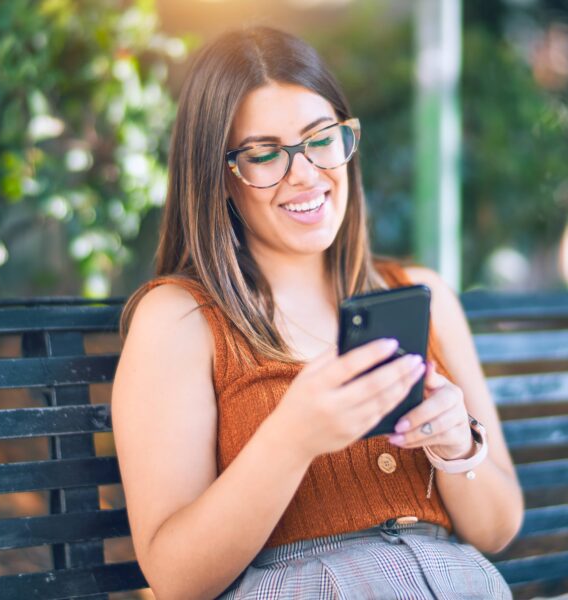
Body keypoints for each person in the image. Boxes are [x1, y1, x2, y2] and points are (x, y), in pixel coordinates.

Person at [111, 26, 523, 600]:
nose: (305, 173)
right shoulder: (179, 319)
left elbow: (497, 528)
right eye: (264, 154)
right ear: (219, 178)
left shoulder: (421, 293)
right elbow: (177, 579)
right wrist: (292, 438)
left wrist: (458, 447)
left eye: (320, 138)